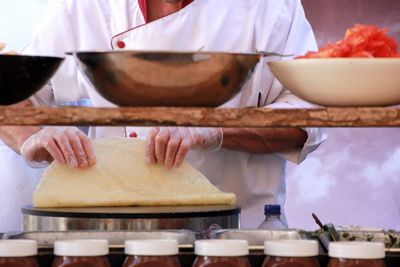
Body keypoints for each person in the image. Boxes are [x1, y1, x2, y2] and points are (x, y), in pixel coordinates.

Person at [0, 0, 327, 228]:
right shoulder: (84, 6)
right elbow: (12, 93)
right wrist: (32, 137)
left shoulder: (271, 7)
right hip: (113, 232)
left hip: (237, 233)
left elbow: (306, 116)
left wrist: (214, 131)